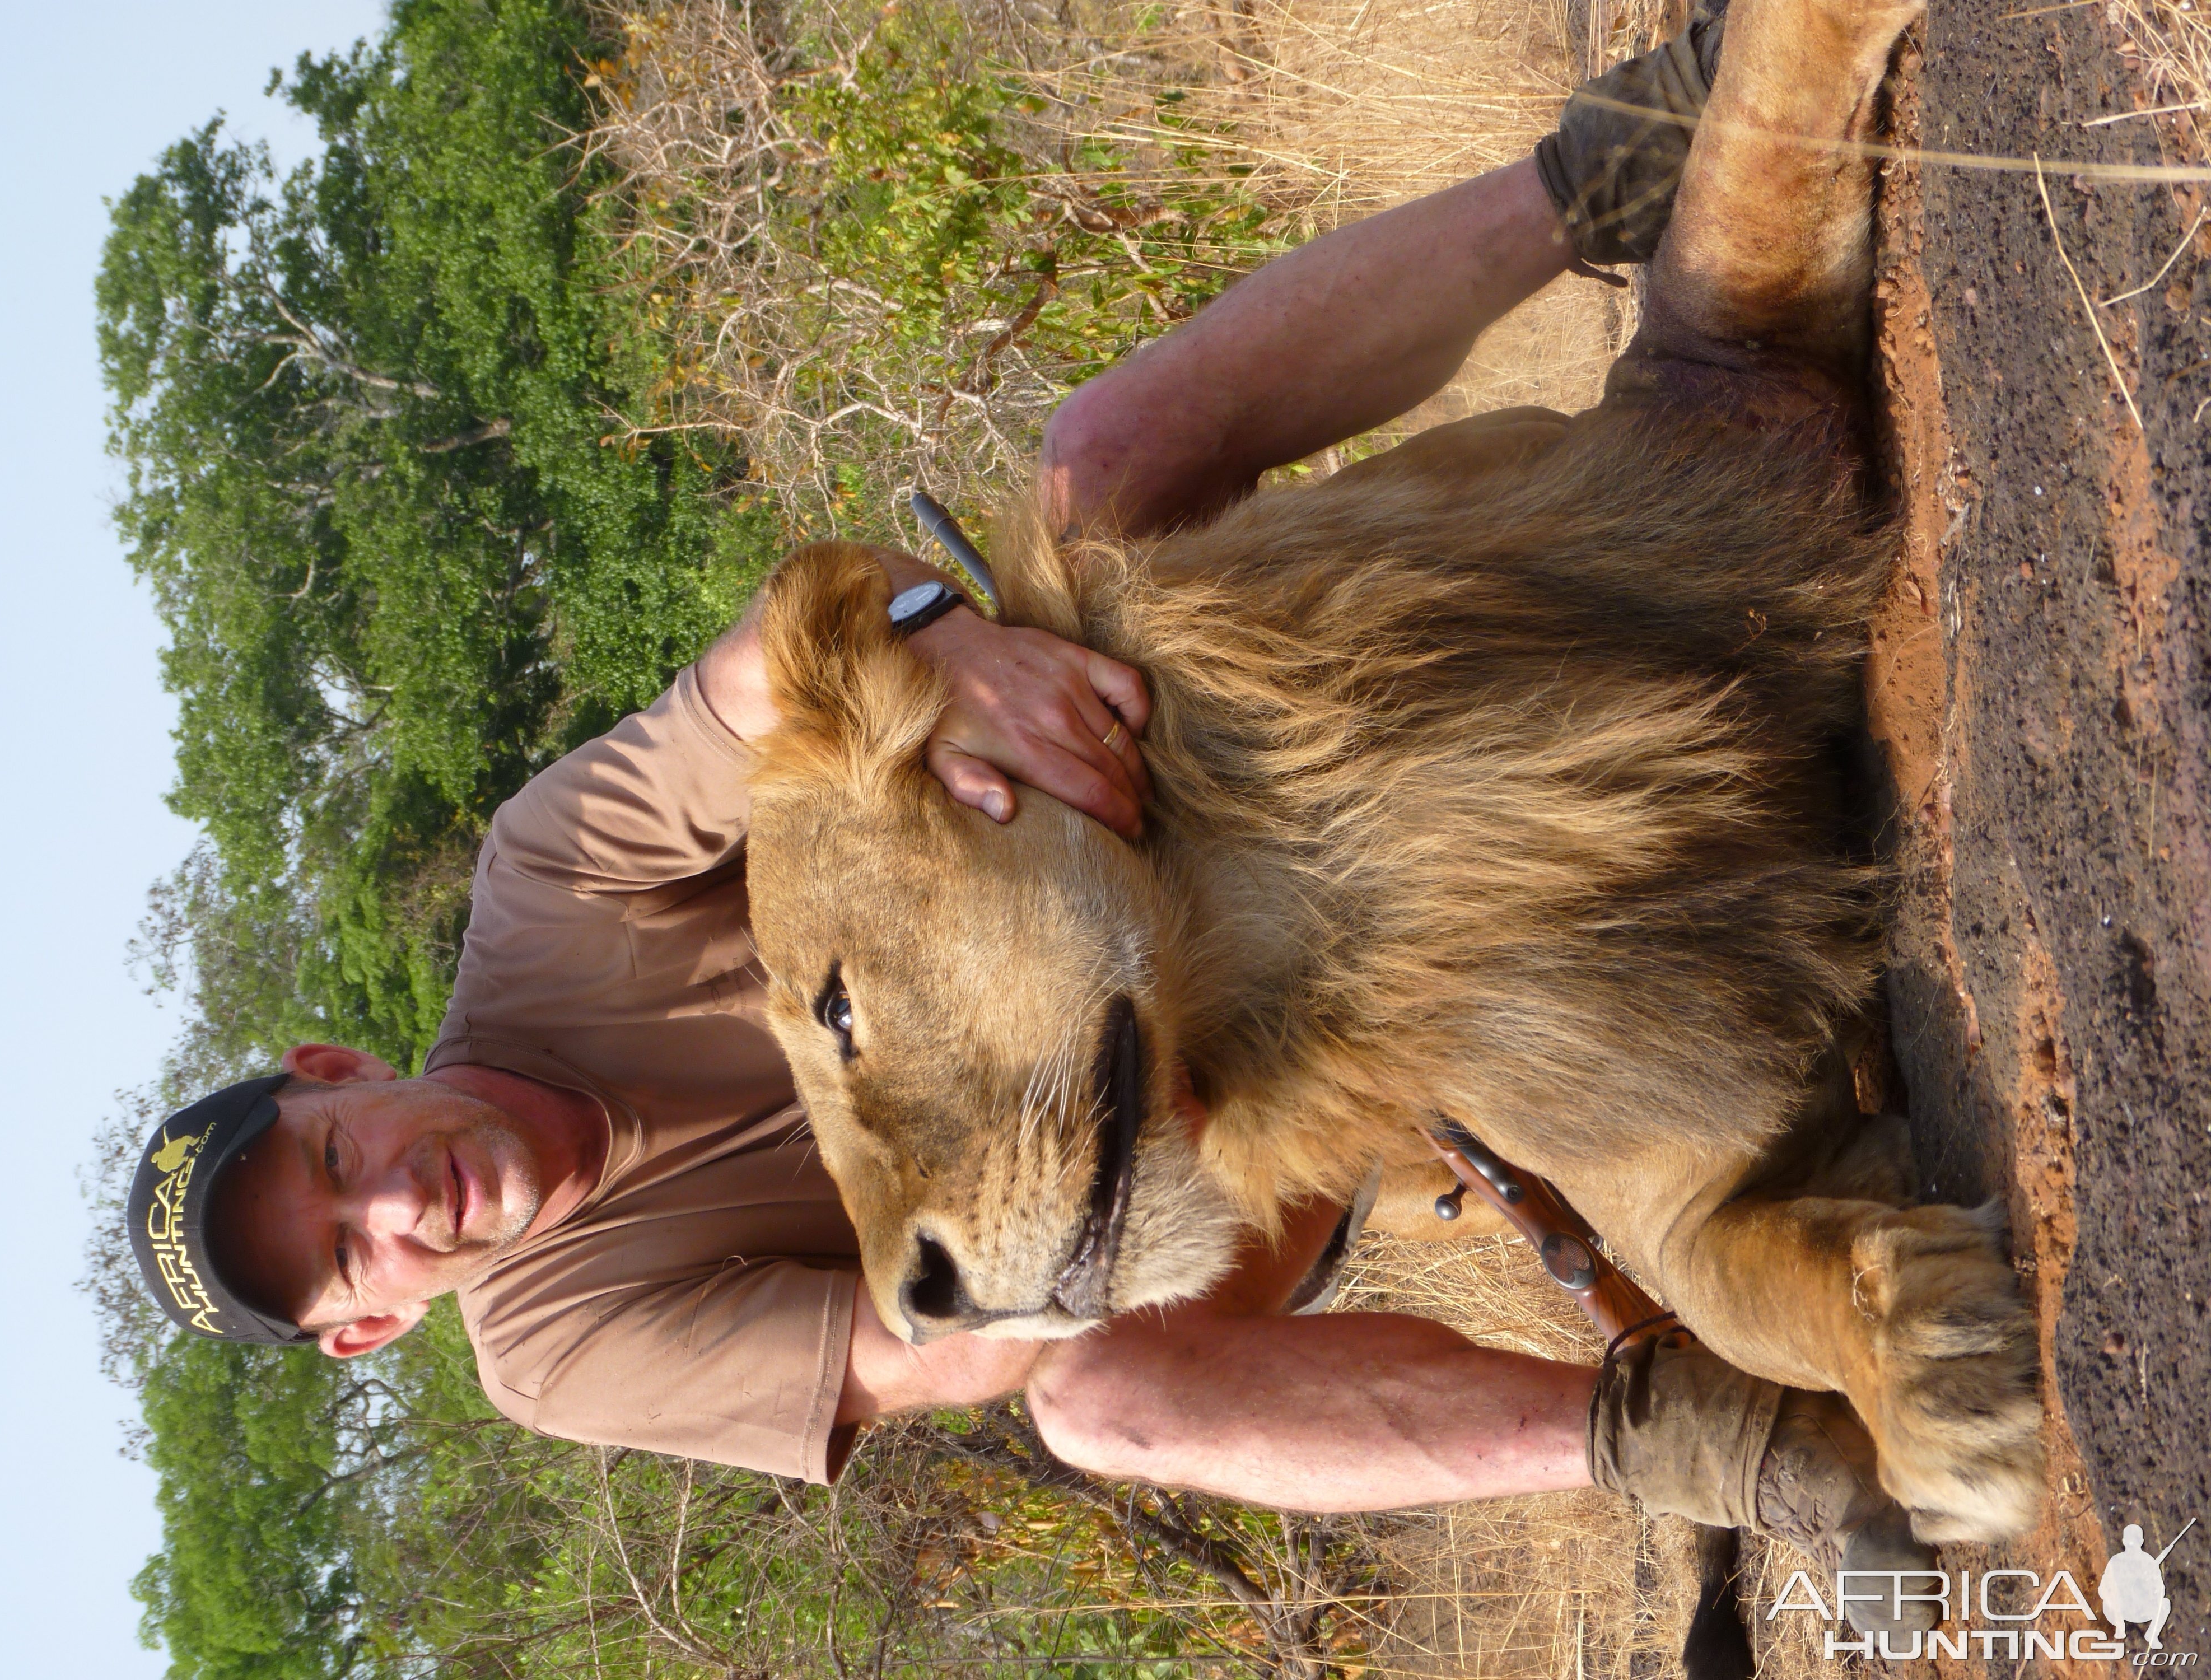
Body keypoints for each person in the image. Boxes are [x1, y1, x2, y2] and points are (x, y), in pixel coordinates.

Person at [125, 13, 1930, 1630]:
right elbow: (922, 1352)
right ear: (370, 1328)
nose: (389, 1211)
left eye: (332, 1163)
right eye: (343, 1261)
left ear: (336, 1065)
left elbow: (777, 661)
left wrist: (943, 646)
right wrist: (1090, 1141)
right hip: (1170, 1153)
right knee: (1101, 1404)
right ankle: (1703, 1444)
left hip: (1125, 837)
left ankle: (1618, 158)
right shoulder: (548, 1347)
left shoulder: (539, 889)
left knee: (1101, 466)